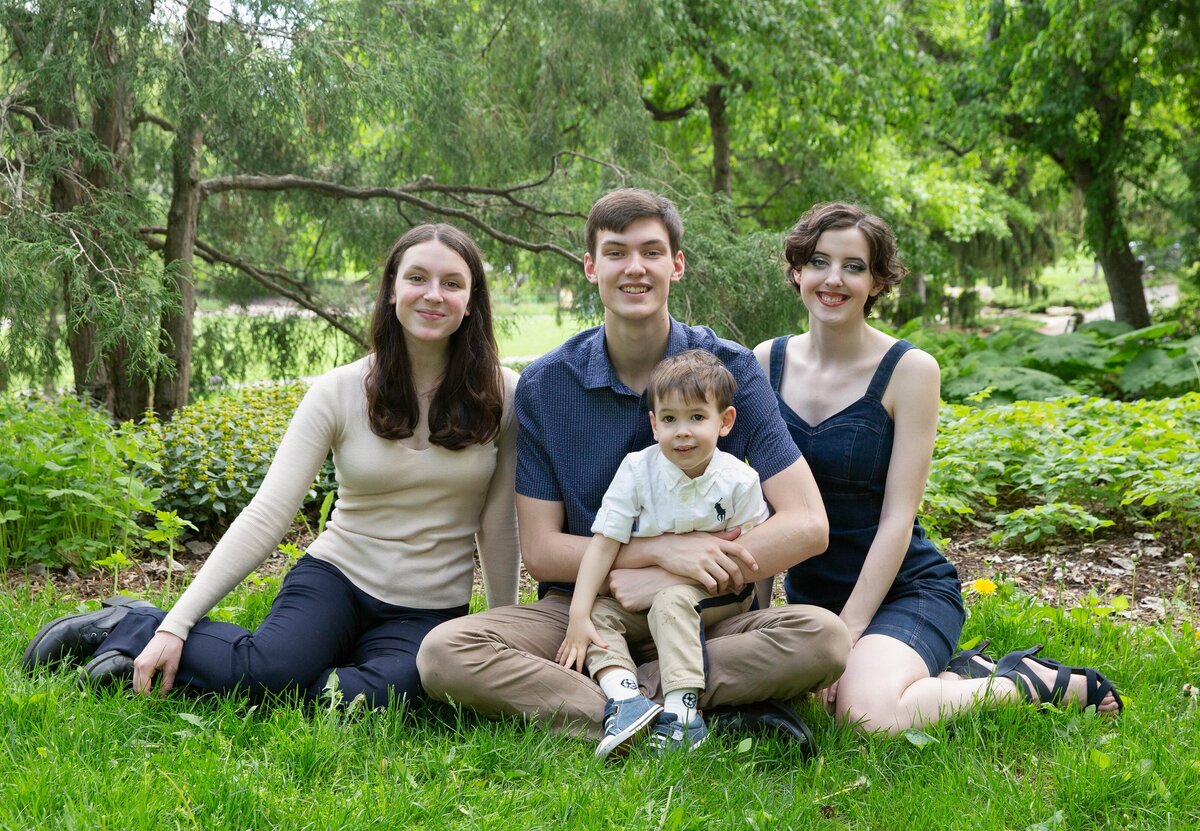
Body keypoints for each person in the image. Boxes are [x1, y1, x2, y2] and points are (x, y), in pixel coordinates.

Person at [23, 224, 520, 709]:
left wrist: (501, 635)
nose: (433, 295)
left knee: (371, 701)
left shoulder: (505, 396)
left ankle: (295, 670)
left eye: (452, 284)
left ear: (471, 301)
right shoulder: (338, 391)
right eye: (417, 278)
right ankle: (133, 625)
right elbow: (268, 514)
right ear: (392, 290)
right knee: (271, 672)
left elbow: (498, 527)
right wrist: (178, 622)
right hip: (337, 580)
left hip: (427, 609)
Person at [417, 188, 850, 742]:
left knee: (823, 638)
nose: (635, 268)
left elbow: (808, 524)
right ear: (591, 267)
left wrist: (673, 575)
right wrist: (657, 553)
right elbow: (545, 552)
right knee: (445, 654)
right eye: (617, 252)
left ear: (677, 264)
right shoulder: (548, 385)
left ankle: (628, 707)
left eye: (651, 251)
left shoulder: (730, 368)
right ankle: (679, 710)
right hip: (588, 613)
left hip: (710, 614)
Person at [756, 202, 1122, 734]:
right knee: (799, 706)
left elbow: (898, 519)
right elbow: (769, 510)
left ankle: (1030, 683)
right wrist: (758, 618)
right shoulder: (767, 360)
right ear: (797, 271)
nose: (833, 279)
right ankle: (958, 675)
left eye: (854, 266)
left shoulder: (910, 370)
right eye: (818, 261)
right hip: (815, 598)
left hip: (905, 590)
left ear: (878, 281)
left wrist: (850, 631)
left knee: (866, 717)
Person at [557, 349, 769, 756]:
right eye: (669, 419)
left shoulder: (740, 480)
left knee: (673, 602)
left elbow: (752, 554)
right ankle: (626, 699)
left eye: (696, 417)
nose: (682, 432)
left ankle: (683, 716)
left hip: (717, 596)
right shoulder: (637, 470)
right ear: (653, 424)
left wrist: (753, 613)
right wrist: (578, 614)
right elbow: (603, 545)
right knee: (600, 614)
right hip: (645, 601)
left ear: (725, 421)